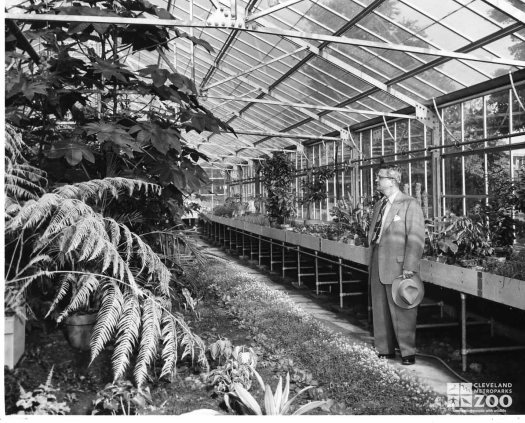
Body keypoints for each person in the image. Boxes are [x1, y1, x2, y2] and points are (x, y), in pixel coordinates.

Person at [368, 165, 425, 365]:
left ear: (392, 181)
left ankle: (407, 352)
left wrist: (409, 266)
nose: (377, 180)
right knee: (380, 307)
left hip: (400, 266)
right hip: (377, 263)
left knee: (403, 309)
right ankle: (384, 349)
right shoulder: (379, 205)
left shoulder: (410, 204)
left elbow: (416, 238)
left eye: (380, 177)